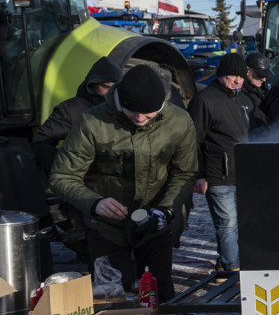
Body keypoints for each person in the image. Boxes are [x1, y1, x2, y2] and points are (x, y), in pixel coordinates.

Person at [49, 65, 197, 302]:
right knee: (111, 297)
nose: (139, 119)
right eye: (131, 112)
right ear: (119, 102)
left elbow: (185, 172)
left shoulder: (179, 121)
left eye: (148, 115)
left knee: (159, 295)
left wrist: (166, 210)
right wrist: (94, 203)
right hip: (105, 227)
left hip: (154, 223)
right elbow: (62, 177)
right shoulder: (92, 122)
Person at [187, 53, 255, 272]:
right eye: (232, 76)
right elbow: (191, 141)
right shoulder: (205, 100)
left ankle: (230, 261)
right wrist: (198, 175)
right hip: (219, 174)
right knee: (227, 224)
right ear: (221, 75)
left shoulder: (244, 100)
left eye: (241, 76)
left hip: (243, 173)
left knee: (243, 224)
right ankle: (231, 267)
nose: (237, 80)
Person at [32, 56, 123, 175]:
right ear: (93, 84)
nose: (112, 91)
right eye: (106, 87)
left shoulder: (124, 108)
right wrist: (64, 173)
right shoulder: (71, 109)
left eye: (116, 87)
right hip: (86, 183)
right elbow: (41, 141)